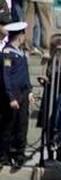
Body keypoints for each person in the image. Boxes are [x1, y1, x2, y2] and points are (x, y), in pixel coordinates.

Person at [0, 22, 33, 168]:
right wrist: (11, 96)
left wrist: (30, 90)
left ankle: (19, 153)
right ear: (19, 36)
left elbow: (25, 74)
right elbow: (6, 75)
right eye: (23, 34)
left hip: (23, 92)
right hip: (13, 92)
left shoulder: (21, 52)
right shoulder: (7, 53)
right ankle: (4, 154)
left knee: (22, 124)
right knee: (9, 125)